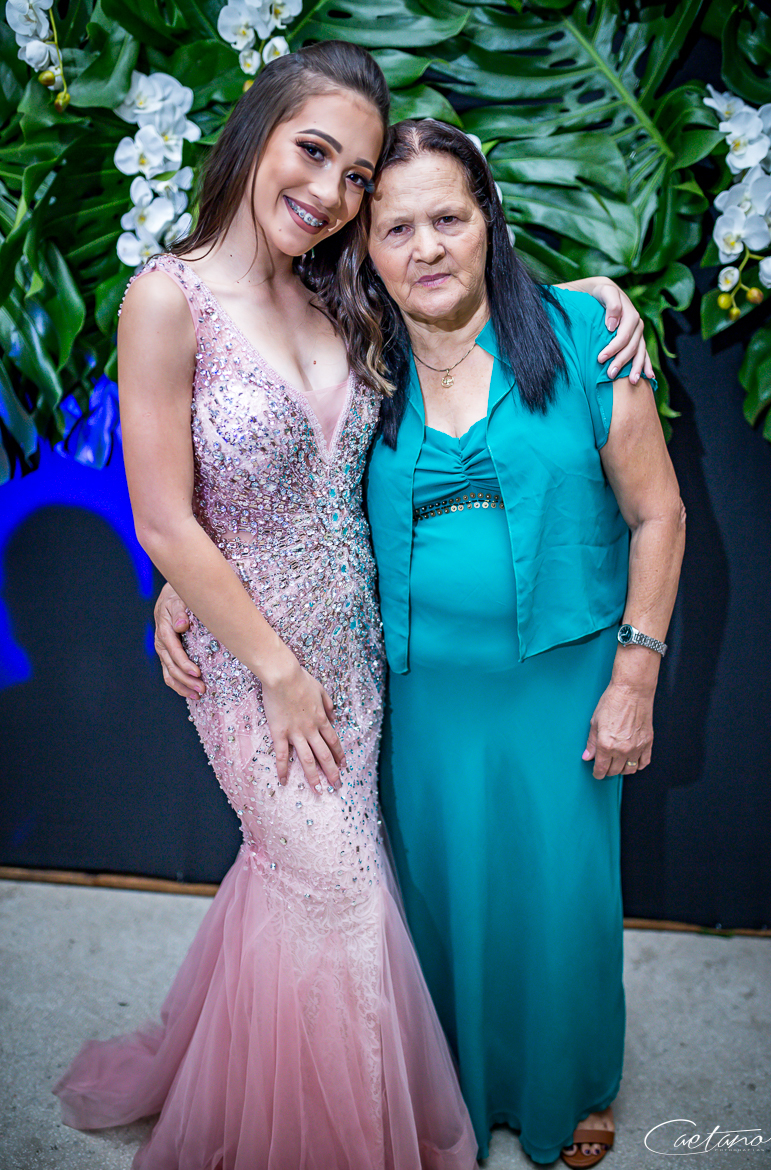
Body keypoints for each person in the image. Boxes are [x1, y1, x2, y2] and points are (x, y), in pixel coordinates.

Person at [154, 119, 683, 1169]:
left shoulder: (585, 335)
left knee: (563, 895)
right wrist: (181, 576)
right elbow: (273, 488)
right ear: (366, 244)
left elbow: (658, 514)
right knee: (437, 898)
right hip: (412, 691)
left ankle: (570, 1084)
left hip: (563, 683)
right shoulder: (358, 357)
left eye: (450, 218)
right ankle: (451, 1090)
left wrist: (637, 671)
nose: (427, 248)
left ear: (490, 220)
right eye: (397, 228)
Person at [54, 45, 479, 1170]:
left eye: (357, 176)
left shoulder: (339, 290)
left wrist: (598, 297)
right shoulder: (168, 297)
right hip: (255, 667)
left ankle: (259, 1097)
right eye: (315, 152)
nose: (332, 192)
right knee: (336, 889)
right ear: (258, 131)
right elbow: (164, 518)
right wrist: (272, 669)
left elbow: (465, 302)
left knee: (308, 882)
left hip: (355, 648)